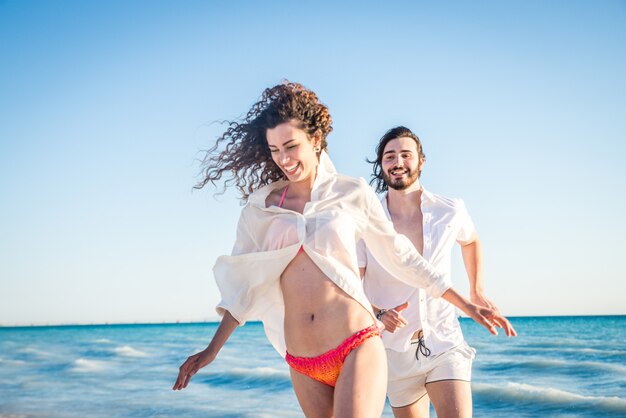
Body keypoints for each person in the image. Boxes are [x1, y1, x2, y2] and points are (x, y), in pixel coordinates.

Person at [172, 82, 514, 418]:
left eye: (291, 146)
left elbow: (400, 255)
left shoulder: (351, 192)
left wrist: (467, 301)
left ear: (316, 140)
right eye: (275, 150)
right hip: (302, 359)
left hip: (356, 343)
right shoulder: (260, 209)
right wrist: (212, 349)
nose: (284, 159)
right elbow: (242, 288)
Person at [359, 126, 517, 418]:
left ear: (421, 161)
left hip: (445, 341)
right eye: (389, 156)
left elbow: (470, 240)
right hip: (393, 352)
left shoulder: (450, 209)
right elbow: (351, 284)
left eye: (406, 155)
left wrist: (477, 290)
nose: (398, 162)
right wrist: (378, 311)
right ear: (381, 165)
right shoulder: (367, 220)